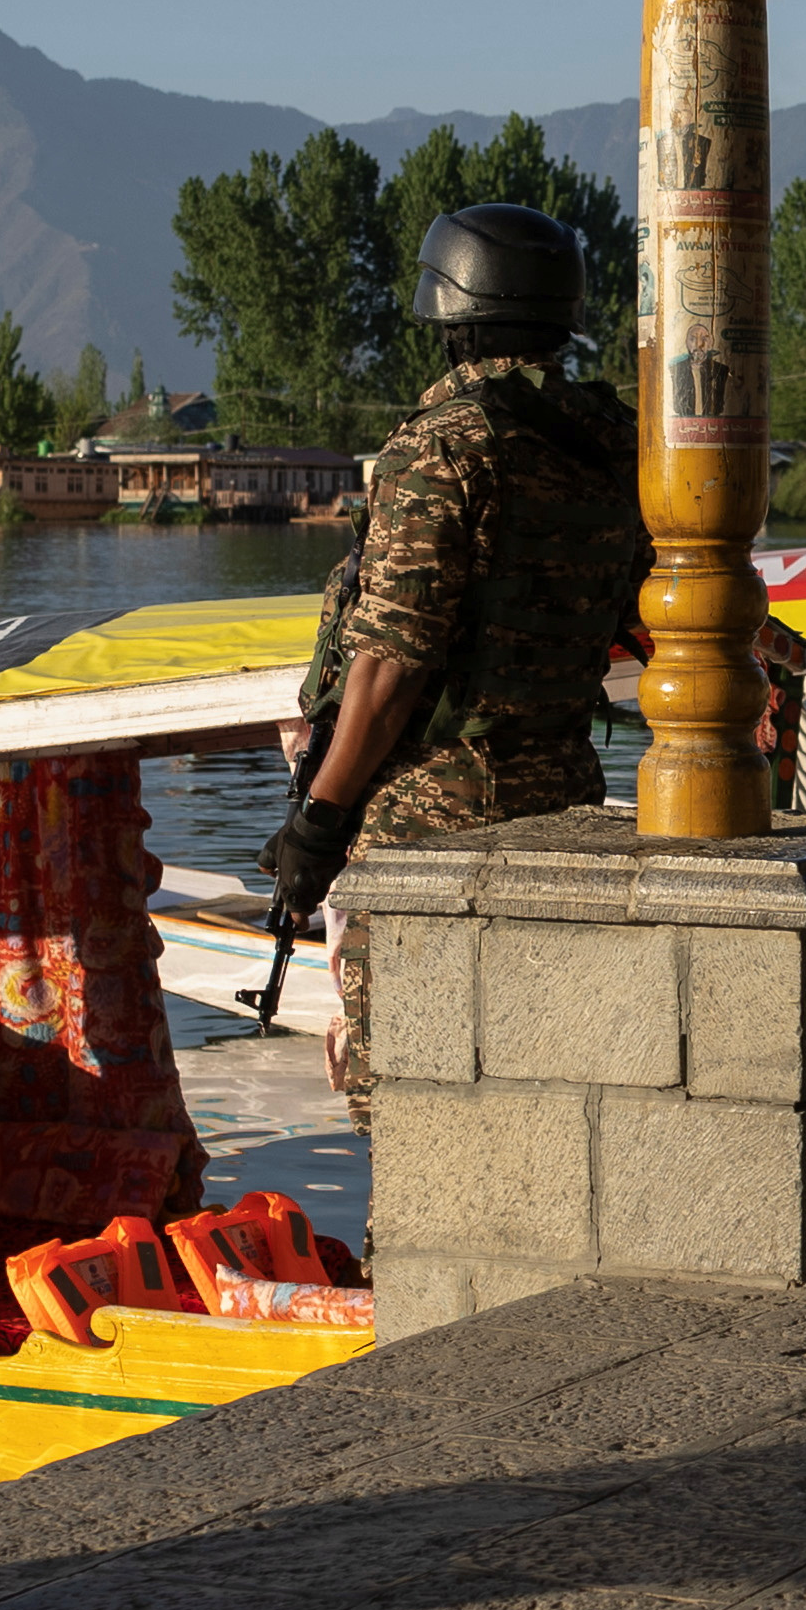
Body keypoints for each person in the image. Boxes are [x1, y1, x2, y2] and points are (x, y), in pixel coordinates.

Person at [264, 206, 650, 1116]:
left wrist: (318, 824)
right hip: (562, 791)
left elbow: (392, 662)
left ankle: (408, 1260)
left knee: (405, 1094)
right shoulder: (614, 442)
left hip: (430, 819)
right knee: (537, 1071)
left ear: (452, 313)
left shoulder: (447, 443)